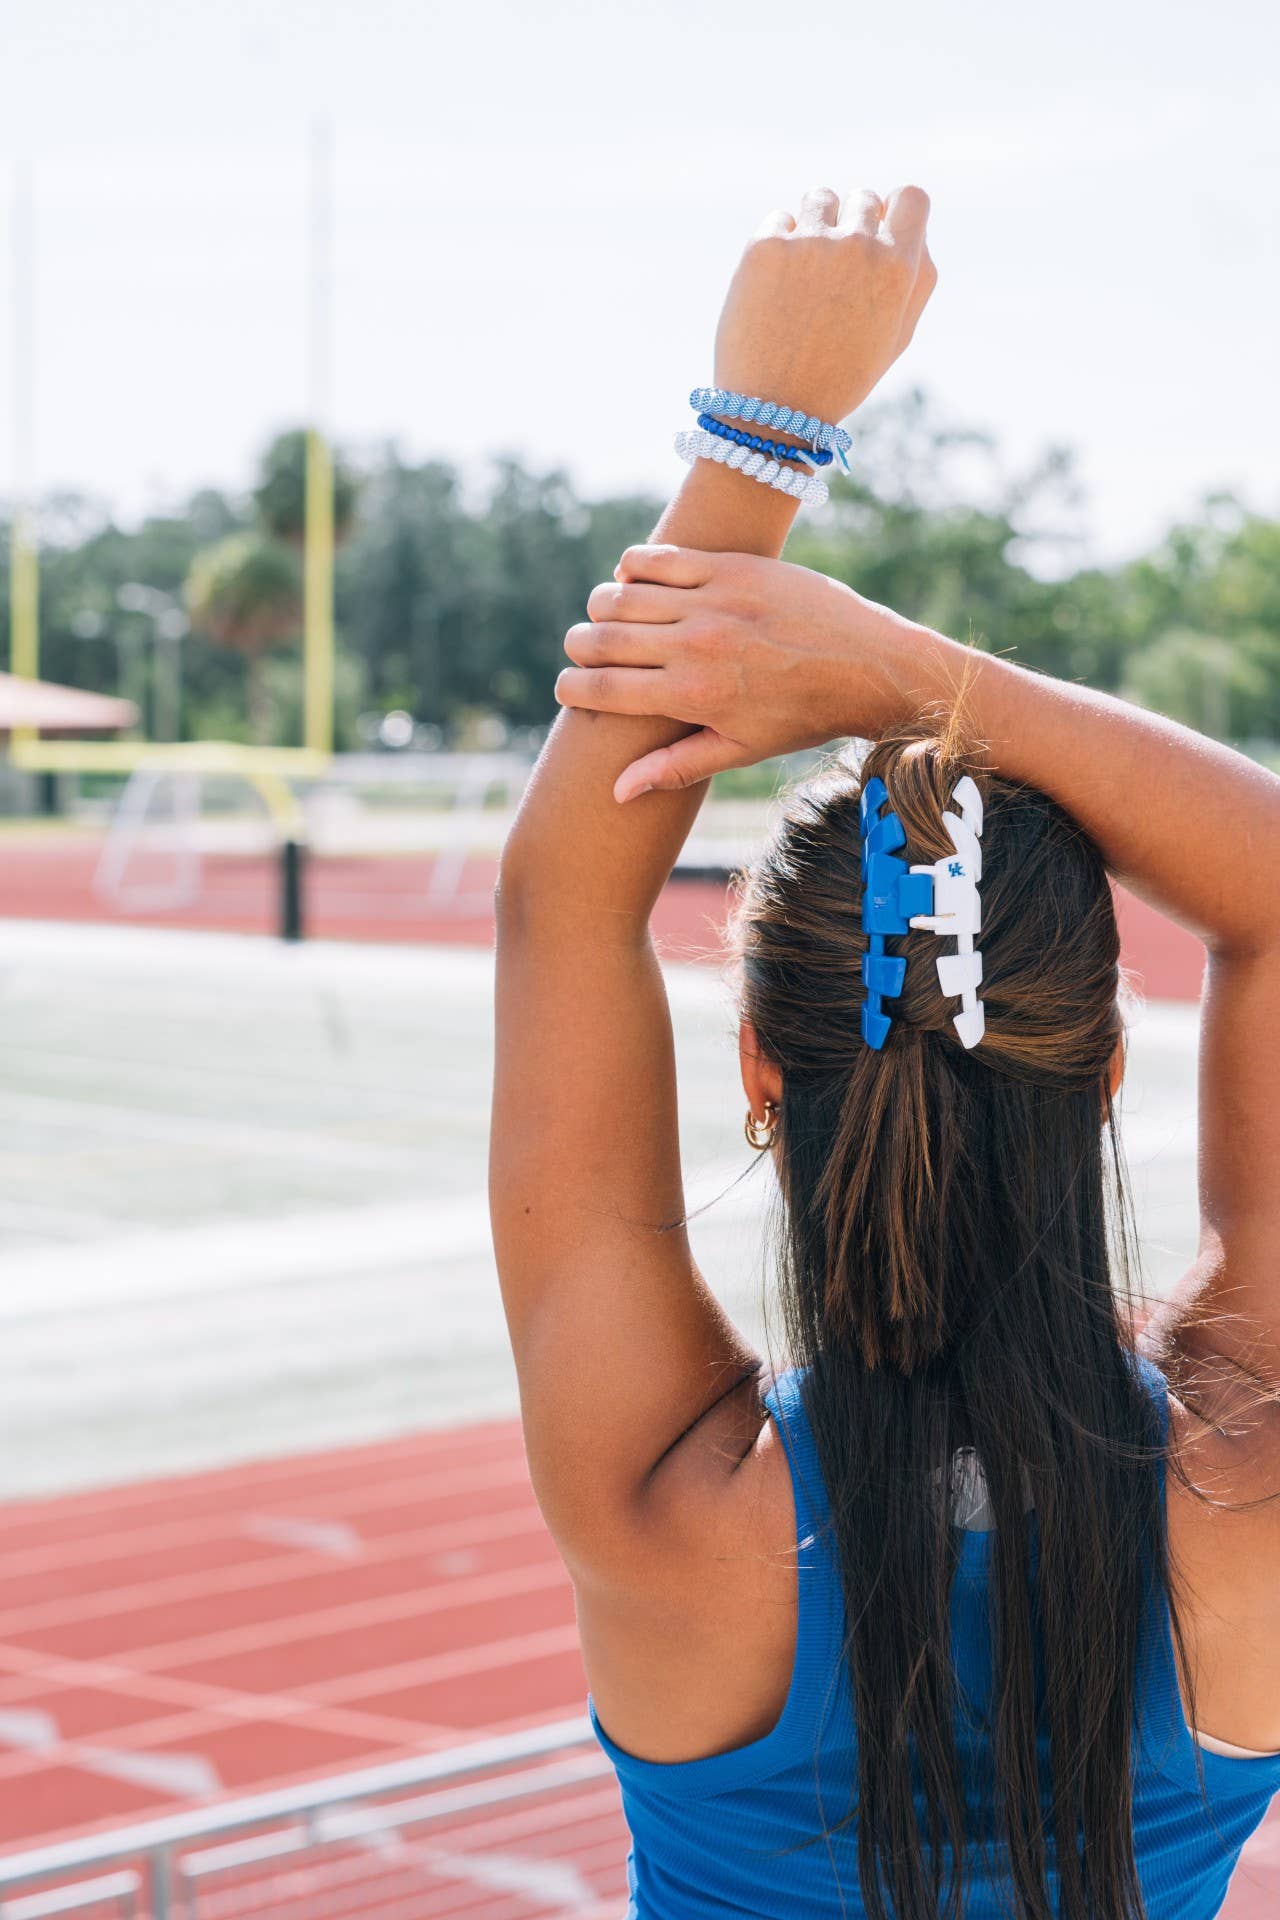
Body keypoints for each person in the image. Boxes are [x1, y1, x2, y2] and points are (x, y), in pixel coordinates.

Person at [489, 184, 1280, 1919]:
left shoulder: (666, 1506)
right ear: (1105, 1070)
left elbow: (562, 909)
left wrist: (763, 437)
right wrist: (907, 673)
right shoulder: (1249, 1497)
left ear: (761, 1078)